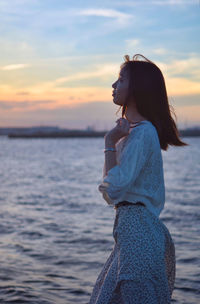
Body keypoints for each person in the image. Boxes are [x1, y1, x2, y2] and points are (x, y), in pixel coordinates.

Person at [88, 54, 188, 304]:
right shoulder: (131, 133)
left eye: (121, 80)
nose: (114, 85)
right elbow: (111, 192)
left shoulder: (144, 133)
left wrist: (109, 142)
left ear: (137, 89)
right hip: (128, 230)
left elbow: (114, 188)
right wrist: (114, 142)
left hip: (138, 231)